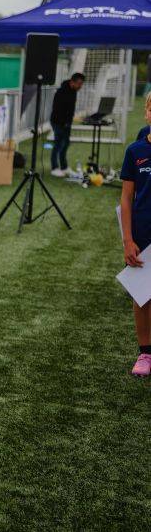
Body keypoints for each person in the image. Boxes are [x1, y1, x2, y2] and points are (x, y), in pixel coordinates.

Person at [119, 91, 151, 376]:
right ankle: (145, 353)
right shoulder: (135, 151)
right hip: (142, 236)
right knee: (142, 297)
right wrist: (128, 240)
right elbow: (126, 199)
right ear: (147, 112)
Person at [49, 72, 85, 177]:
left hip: (66, 123)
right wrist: (63, 123)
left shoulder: (73, 92)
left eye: (81, 84)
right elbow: (57, 109)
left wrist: (68, 122)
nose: (80, 86)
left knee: (65, 144)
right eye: (79, 84)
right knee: (58, 144)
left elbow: (70, 109)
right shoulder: (61, 92)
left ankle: (64, 167)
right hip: (58, 122)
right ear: (72, 82)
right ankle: (54, 168)